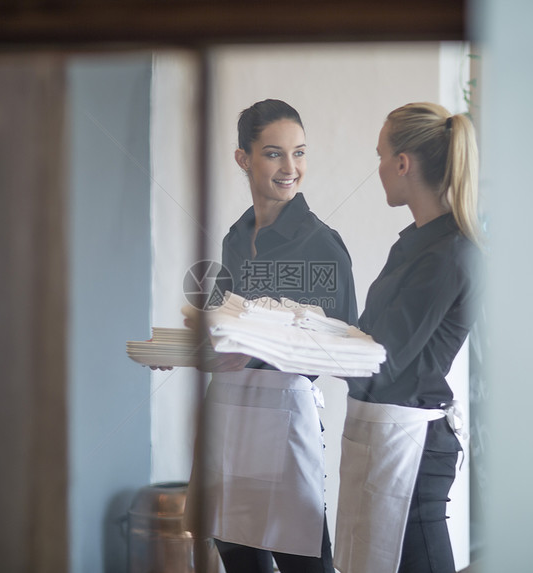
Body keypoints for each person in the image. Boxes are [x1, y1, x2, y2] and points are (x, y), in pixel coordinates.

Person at [187, 99, 358, 573]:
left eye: (299, 153)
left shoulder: (322, 243)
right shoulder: (235, 238)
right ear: (243, 158)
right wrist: (195, 350)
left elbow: (343, 343)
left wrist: (259, 354)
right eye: (274, 153)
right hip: (229, 418)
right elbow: (226, 322)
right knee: (237, 555)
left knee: (305, 562)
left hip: (284, 422)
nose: (291, 167)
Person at [334, 102, 483, 573]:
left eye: (380, 156)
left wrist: (285, 343)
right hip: (384, 434)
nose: (378, 168)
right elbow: (369, 334)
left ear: (403, 163)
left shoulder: (450, 254)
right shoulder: (416, 242)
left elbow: (382, 356)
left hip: (414, 449)